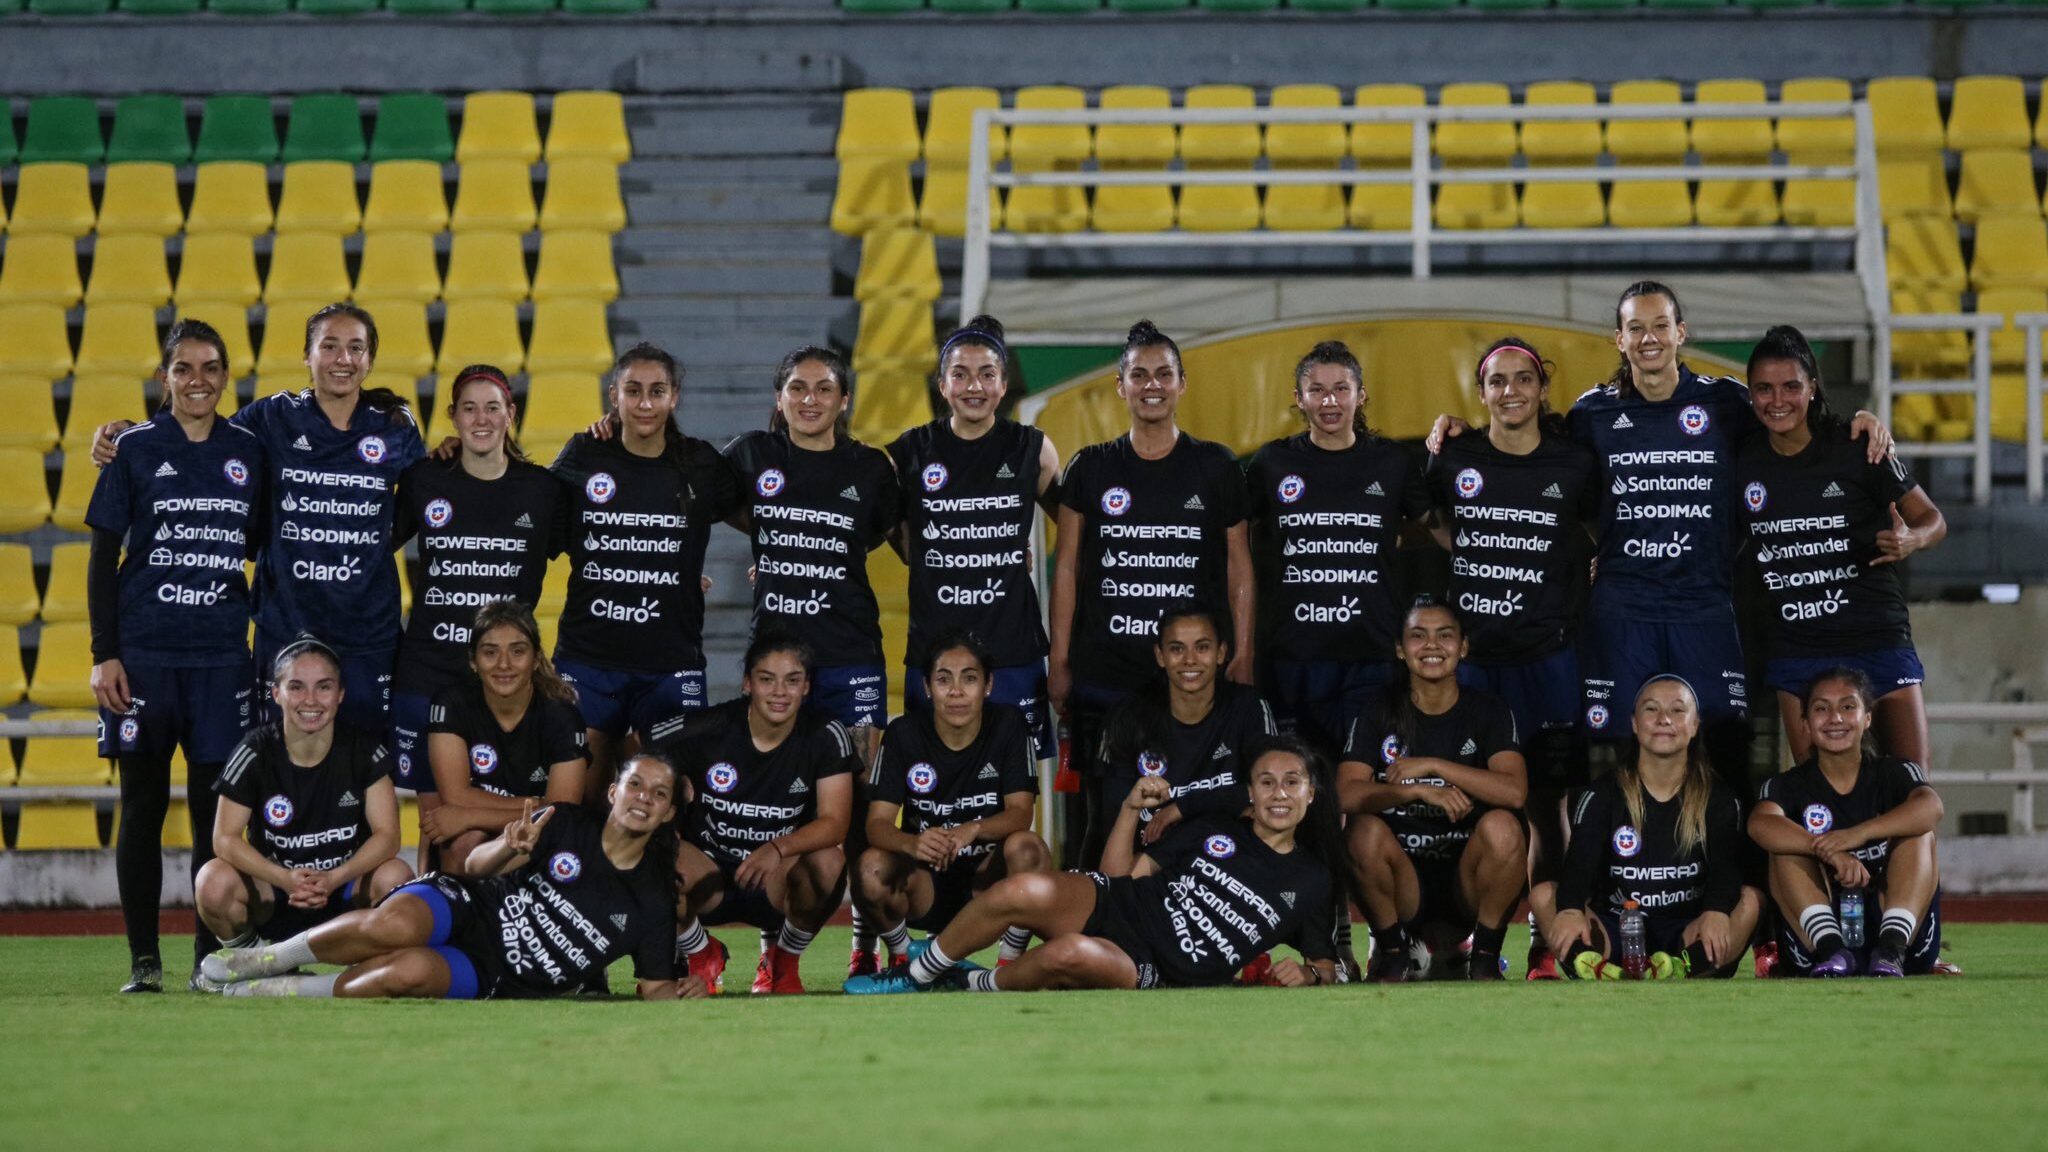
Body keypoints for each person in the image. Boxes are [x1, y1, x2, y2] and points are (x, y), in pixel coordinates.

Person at [1426, 282, 1893, 788]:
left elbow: (1791, 421)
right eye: (1636, 328)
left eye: (1660, 326)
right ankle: (1632, 862)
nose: (1649, 338)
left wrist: (1856, 421)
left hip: (1704, 607)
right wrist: (1459, 431)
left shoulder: (1727, 403)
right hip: (1623, 611)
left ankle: (1725, 866)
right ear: (1619, 341)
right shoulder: (1591, 414)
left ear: (1680, 332)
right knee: (1623, 756)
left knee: (1725, 752)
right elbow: (1537, 468)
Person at [92, 303, 425, 732]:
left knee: (364, 771)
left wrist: (374, 539)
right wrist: (129, 431)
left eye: (355, 348)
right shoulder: (272, 417)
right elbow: (199, 436)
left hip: (368, 632)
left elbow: (423, 497)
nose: (343, 359)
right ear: (307, 355)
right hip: (284, 629)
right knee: (280, 775)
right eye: (330, 346)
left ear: (370, 360)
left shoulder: (395, 426)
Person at [844, 737, 1341, 994]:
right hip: (1127, 903)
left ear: (1311, 794)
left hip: (1161, 968)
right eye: (1267, 782)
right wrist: (1128, 808)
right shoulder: (1214, 828)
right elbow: (1122, 876)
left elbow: (1331, 965)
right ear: (1249, 793)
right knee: (1022, 891)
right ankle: (919, 975)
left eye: (1292, 782)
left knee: (1070, 956)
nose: (1280, 793)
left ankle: (973, 983)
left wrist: (1309, 974)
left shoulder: (1313, 879)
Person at [196, 761, 705, 1000]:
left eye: (659, 794)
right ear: (614, 790)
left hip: (502, 976)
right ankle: (264, 958)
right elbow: (476, 867)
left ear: (666, 816)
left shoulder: (654, 900)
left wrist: (686, 995)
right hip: (470, 903)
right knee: (392, 929)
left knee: (406, 974)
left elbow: (654, 986)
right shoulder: (565, 821)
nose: (644, 797)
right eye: (635, 784)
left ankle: (285, 990)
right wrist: (510, 845)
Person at [86, 319, 263, 993]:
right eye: (184, 369)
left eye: (211, 368)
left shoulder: (248, 451)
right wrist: (105, 654)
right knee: (142, 806)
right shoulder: (132, 449)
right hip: (146, 657)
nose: (199, 381)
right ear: (166, 379)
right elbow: (104, 558)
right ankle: (143, 962)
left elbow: (263, 542)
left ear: (226, 377)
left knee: (211, 818)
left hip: (222, 659)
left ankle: (202, 961)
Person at [1049, 320, 1254, 869]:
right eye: (1139, 374)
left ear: (1182, 384)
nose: (1152, 384)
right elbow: (1066, 568)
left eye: (1164, 373)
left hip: (1194, 680)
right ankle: (1095, 938)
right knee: (1106, 814)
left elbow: (1240, 566)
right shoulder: (1090, 467)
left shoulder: (1216, 466)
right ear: (1121, 387)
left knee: (1203, 810)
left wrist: (1245, 652)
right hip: (1106, 674)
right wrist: (1060, 658)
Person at [1424, 336, 1598, 980]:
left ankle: (1547, 936)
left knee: (1548, 807)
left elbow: (1599, 532)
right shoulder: (1455, 457)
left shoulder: (1575, 462)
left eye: (1523, 379)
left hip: (1548, 661)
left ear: (1542, 388)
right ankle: (1461, 935)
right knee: (1465, 803)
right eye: (1497, 382)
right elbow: (1437, 524)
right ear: (1482, 391)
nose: (1511, 392)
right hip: (1475, 666)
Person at [1736, 326, 1946, 766]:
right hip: (1798, 647)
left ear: (1813, 387)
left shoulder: (1857, 447)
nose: (1778, 401)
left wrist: (1912, 539)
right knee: (1820, 802)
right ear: (1750, 394)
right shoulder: (1742, 459)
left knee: (1912, 791)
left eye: (1791, 386)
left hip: (1876, 637)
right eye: (1764, 389)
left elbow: (1933, 519)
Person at [551, 343, 742, 789]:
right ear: (613, 395)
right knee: (581, 798)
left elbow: (768, 518)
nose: (644, 403)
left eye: (657, 391)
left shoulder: (699, 462)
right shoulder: (584, 453)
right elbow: (539, 520)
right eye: (632, 391)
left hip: (669, 663)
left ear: (674, 397)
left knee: (665, 798)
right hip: (589, 659)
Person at [887, 314, 1062, 761]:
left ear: (1003, 384)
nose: (974, 387)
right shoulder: (908, 452)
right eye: (960, 375)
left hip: (1012, 650)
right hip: (934, 656)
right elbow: (862, 520)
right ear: (942, 385)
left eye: (987, 375)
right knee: (932, 781)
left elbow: (1076, 525)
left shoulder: (1033, 448)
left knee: (1016, 789)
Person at [1244, 340, 1429, 757]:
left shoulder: (1392, 462)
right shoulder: (1272, 463)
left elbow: (1430, 528)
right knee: (1297, 783)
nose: (1330, 401)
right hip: (1293, 655)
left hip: (1371, 654)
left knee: (1364, 780)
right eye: (1317, 390)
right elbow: (1237, 537)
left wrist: (1386, 538)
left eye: (1341, 388)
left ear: (1361, 395)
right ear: (1298, 399)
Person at [389, 364, 564, 807]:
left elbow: (597, 552)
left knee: (490, 819)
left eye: (492, 408)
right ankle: (431, 883)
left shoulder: (543, 490)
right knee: (435, 820)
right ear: (453, 416)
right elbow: (371, 546)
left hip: (503, 680)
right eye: (469, 409)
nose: (481, 419)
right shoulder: (424, 480)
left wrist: (680, 576)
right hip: (427, 668)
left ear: (511, 414)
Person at [1338, 597, 1527, 982]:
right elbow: (1344, 793)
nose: (1432, 646)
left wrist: (1436, 766)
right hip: (1403, 881)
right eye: (1418, 636)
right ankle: (1392, 954)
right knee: (1360, 832)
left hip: (1467, 879)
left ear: (1463, 646)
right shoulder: (1378, 709)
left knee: (1505, 828)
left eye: (1445, 635)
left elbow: (1515, 792)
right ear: (1400, 649)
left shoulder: (1487, 710)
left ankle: (1485, 958)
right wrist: (1413, 792)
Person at [724, 346, 902, 746]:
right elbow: (684, 498)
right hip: (775, 662)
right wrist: (772, 542)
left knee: (863, 789)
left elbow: (907, 544)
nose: (810, 399)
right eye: (798, 388)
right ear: (779, 397)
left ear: (844, 401)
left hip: (851, 655)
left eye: (824, 389)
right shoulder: (752, 453)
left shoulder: (871, 467)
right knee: (775, 789)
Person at [660, 635, 858, 995]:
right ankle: (702, 952)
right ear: (747, 683)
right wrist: (667, 792)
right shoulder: (707, 728)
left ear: (806, 687)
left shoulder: (825, 735)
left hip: (775, 881)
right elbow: (638, 756)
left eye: (792, 680)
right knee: (649, 849)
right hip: (707, 875)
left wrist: (777, 848)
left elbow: (835, 823)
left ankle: (781, 962)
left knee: (830, 862)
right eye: (767, 679)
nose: (780, 692)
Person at [193, 638, 413, 961]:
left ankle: (369, 966)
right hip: (277, 892)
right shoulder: (254, 751)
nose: (310, 700)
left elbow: (388, 836)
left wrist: (334, 877)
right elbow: (223, 839)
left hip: (343, 891)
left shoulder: (364, 750)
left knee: (397, 877)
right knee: (211, 881)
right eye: (296, 687)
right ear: (276, 694)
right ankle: (257, 964)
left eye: (323, 687)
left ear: (340, 694)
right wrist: (285, 878)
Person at [854, 630, 1048, 971]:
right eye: (944, 679)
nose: (956, 691)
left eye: (969, 679)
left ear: (988, 685)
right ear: (927, 687)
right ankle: (905, 958)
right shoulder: (903, 734)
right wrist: (912, 844)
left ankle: (1009, 964)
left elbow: (1021, 813)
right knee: (870, 867)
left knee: (1029, 848)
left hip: (987, 886)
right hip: (924, 884)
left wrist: (971, 830)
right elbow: (877, 824)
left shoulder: (1009, 725)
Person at [1549, 675, 1762, 980]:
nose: (1664, 719)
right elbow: (1578, 863)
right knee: (1546, 896)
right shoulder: (1603, 793)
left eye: (1677, 711)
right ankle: (1601, 969)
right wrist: (1570, 909)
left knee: (1751, 900)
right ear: (1634, 723)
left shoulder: (1719, 797)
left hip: (1686, 933)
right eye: (1651, 710)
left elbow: (1727, 869)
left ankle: (1683, 968)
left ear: (1695, 725)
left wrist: (1715, 910)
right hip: (1617, 930)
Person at [1750, 668, 1945, 977]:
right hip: (1817, 948)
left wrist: (1856, 835)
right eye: (1821, 708)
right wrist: (1827, 851)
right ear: (1805, 723)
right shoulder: (1787, 785)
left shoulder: (1893, 772)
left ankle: (1891, 948)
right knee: (1783, 846)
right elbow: (1760, 824)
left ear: (1867, 717)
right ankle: (1832, 949)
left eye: (1847, 706)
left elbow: (1931, 807)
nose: (1835, 718)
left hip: (1902, 945)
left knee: (1920, 834)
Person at [417, 600, 589, 874]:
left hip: (539, 833)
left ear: (535, 659)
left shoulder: (562, 716)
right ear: (473, 661)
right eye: (490, 652)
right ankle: (456, 912)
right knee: (462, 843)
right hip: (491, 829)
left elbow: (560, 816)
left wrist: (467, 815)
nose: (504, 664)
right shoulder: (451, 703)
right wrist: (538, 804)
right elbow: (455, 796)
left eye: (517, 651)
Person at [1098, 602, 1277, 855]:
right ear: (1160, 655)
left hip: (1231, 857)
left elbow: (1270, 788)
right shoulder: (1127, 717)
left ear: (1221, 652)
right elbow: (1113, 818)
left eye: (1202, 648)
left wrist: (1184, 807)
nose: (1190, 660)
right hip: (1154, 859)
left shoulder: (1248, 707)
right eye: (1176, 649)